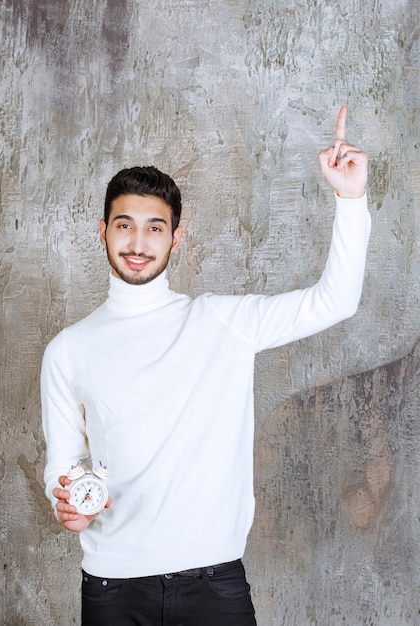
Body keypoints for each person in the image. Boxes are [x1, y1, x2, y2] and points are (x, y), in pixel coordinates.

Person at [41, 106, 370, 626]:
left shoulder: (223, 321)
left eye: (155, 227)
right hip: (112, 588)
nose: (138, 242)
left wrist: (350, 200)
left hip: (213, 585)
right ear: (102, 231)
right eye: (125, 225)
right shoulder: (68, 349)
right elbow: (65, 462)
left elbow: (335, 302)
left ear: (177, 237)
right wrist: (67, 501)